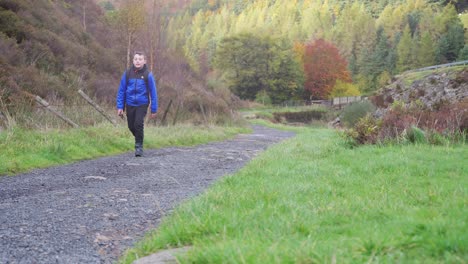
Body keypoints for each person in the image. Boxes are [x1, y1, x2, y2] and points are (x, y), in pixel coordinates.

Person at [116, 51, 158, 157]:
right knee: (131, 126)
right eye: (135, 59)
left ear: (144, 61)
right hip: (129, 103)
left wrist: (154, 109)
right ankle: (139, 138)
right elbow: (121, 90)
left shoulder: (148, 75)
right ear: (133, 61)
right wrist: (120, 106)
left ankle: (138, 147)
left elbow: (153, 93)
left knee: (138, 124)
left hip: (142, 103)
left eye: (140, 59)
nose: (137, 61)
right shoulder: (127, 73)